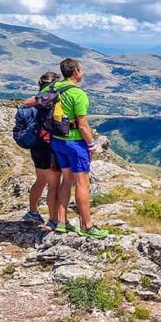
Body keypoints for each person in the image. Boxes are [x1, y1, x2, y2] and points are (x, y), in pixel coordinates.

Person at [48, 58, 109, 239]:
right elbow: (82, 125)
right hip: (75, 143)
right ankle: (88, 226)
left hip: (57, 140)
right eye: (81, 70)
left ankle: (61, 222)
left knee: (66, 180)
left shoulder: (53, 88)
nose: (82, 73)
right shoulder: (78, 94)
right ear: (75, 72)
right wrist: (91, 145)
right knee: (83, 183)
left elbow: (34, 100)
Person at [21, 71, 61, 231]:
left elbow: (26, 103)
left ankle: (32, 212)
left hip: (36, 145)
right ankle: (53, 221)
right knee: (53, 184)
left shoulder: (37, 100)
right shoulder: (47, 100)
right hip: (48, 146)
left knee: (41, 180)